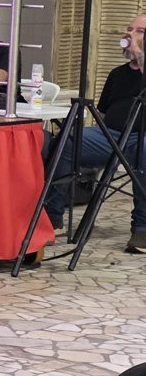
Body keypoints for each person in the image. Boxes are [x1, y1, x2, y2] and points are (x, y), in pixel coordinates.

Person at [45, 16, 146, 252]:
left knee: (145, 150)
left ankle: (142, 228)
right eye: (129, 29)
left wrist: (142, 58)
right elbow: (102, 112)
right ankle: (52, 216)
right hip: (109, 135)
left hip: (141, 138)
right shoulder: (117, 73)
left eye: (140, 31)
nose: (129, 34)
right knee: (67, 140)